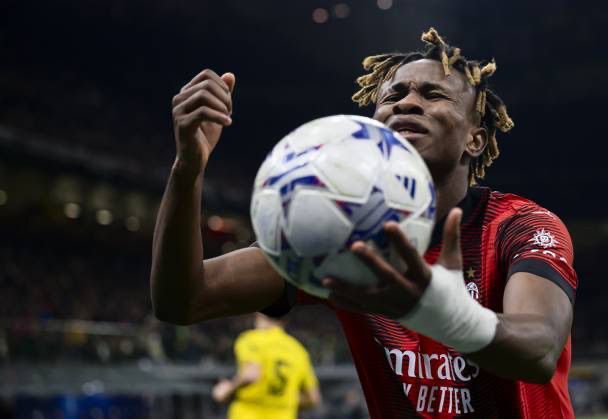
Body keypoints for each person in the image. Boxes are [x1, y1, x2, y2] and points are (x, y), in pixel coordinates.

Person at [151, 27, 577, 417]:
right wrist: (187, 171)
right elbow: (182, 301)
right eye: (393, 96)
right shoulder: (341, 230)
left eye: (433, 94)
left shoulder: (519, 226)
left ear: (475, 138)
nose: (406, 102)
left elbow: (539, 350)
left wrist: (447, 315)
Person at [211, 313, 321, 419]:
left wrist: (228, 390)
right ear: (284, 320)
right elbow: (313, 398)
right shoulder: (298, 350)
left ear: (259, 315)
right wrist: (284, 399)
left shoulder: (251, 339)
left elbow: (250, 374)